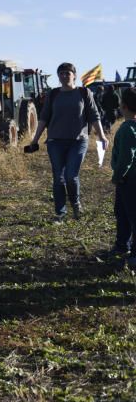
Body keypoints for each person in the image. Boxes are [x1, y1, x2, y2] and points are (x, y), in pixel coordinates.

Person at [25, 62, 109, 222]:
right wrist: (35, 140)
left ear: (74, 75)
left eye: (67, 73)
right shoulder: (53, 94)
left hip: (78, 141)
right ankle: (60, 212)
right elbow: (44, 118)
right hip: (55, 142)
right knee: (59, 178)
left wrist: (102, 136)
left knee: (71, 176)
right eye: (61, 73)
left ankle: (76, 204)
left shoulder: (84, 93)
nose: (64, 76)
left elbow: (94, 116)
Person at [109, 88, 136, 264]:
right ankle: (121, 245)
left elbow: (127, 157)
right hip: (127, 179)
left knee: (132, 215)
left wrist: (117, 176)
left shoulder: (127, 129)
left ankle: (133, 253)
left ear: (123, 106)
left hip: (129, 179)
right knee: (122, 213)